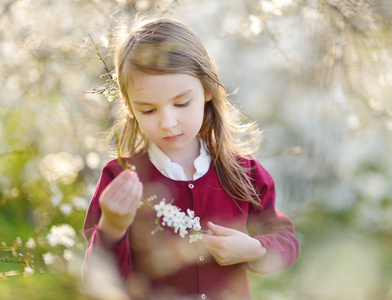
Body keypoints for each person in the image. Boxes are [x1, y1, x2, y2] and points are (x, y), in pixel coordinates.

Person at [83, 17, 300, 300]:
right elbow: (99, 282)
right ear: (129, 106)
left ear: (208, 88)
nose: (168, 123)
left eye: (182, 103)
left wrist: (255, 249)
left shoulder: (243, 171)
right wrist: (112, 227)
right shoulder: (120, 178)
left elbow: (286, 240)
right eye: (148, 110)